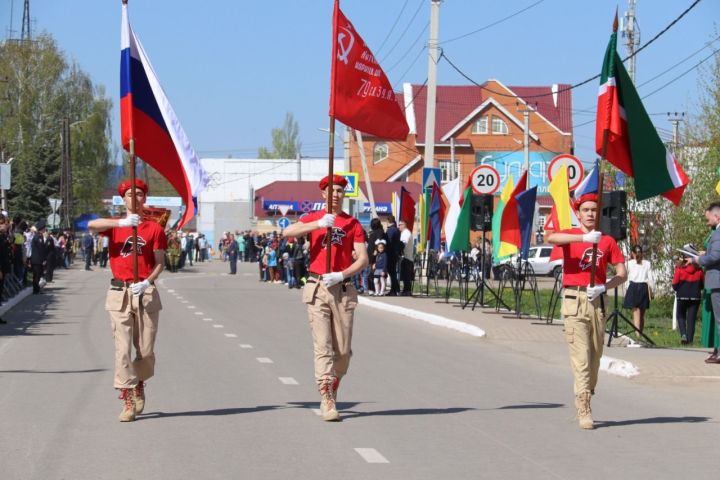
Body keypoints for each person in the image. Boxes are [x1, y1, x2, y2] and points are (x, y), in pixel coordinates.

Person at [282, 174, 368, 422]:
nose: (336, 195)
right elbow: (288, 231)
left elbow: (363, 259)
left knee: (342, 352)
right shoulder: (314, 219)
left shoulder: (352, 224)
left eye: (340, 191)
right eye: (332, 191)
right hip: (317, 286)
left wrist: (342, 274)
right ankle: (327, 396)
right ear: (323, 194)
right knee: (323, 346)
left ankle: (334, 382)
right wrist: (318, 224)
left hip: (342, 288)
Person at [88, 179, 167, 422]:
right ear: (123, 199)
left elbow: (160, 262)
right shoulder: (115, 226)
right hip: (119, 293)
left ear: (145, 198)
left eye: (140, 194)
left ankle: (139, 382)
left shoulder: (154, 229)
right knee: (122, 350)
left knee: (145, 350)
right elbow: (90, 224)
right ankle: (128, 398)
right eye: (130, 194)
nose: (135, 198)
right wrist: (120, 222)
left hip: (144, 292)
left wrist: (147, 281)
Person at [546, 193, 627, 430]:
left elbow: (622, 273)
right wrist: (583, 237)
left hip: (597, 302)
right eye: (586, 210)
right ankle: (584, 407)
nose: (590, 214)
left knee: (594, 357)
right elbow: (549, 237)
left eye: (594, 210)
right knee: (580, 358)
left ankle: (587, 389)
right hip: (574, 300)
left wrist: (605, 286)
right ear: (578, 213)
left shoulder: (607, 241)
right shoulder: (572, 236)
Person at [696, 202, 720, 363]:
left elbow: (715, 257)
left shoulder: (718, 234)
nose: (707, 221)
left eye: (708, 218)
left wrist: (698, 259)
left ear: (717, 216)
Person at [672, 251, 703, 345]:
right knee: (691, 319)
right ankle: (690, 341)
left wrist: (679, 288)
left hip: (682, 296)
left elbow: (674, 285)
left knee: (680, 316)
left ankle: (683, 335)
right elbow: (702, 284)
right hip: (695, 297)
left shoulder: (679, 269)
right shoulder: (699, 270)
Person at [623, 245, 655, 337]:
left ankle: (638, 334)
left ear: (632, 253)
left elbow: (623, 272)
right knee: (639, 313)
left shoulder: (630, 263)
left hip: (636, 287)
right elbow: (651, 278)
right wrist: (653, 289)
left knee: (638, 313)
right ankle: (639, 333)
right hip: (641, 287)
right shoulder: (644, 263)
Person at [30, 222, 48, 294]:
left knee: (38, 274)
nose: (45, 230)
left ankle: (37, 289)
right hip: (37, 259)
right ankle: (36, 290)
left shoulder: (39, 236)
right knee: (36, 275)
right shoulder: (38, 237)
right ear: (41, 229)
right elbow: (40, 250)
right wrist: (43, 259)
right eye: (44, 228)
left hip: (38, 259)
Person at [385, 215, 401, 296]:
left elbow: (388, 242)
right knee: (393, 272)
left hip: (390, 253)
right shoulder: (396, 230)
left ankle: (393, 290)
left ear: (388, 221)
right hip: (395, 253)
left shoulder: (391, 230)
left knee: (392, 273)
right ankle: (396, 289)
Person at [398, 220, 414, 295]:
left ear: (404, 225)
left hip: (407, 257)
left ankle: (407, 291)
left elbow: (403, 243)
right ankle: (406, 290)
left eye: (400, 225)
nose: (399, 226)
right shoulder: (405, 233)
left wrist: (398, 250)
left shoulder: (406, 233)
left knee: (406, 276)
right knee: (405, 276)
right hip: (406, 256)